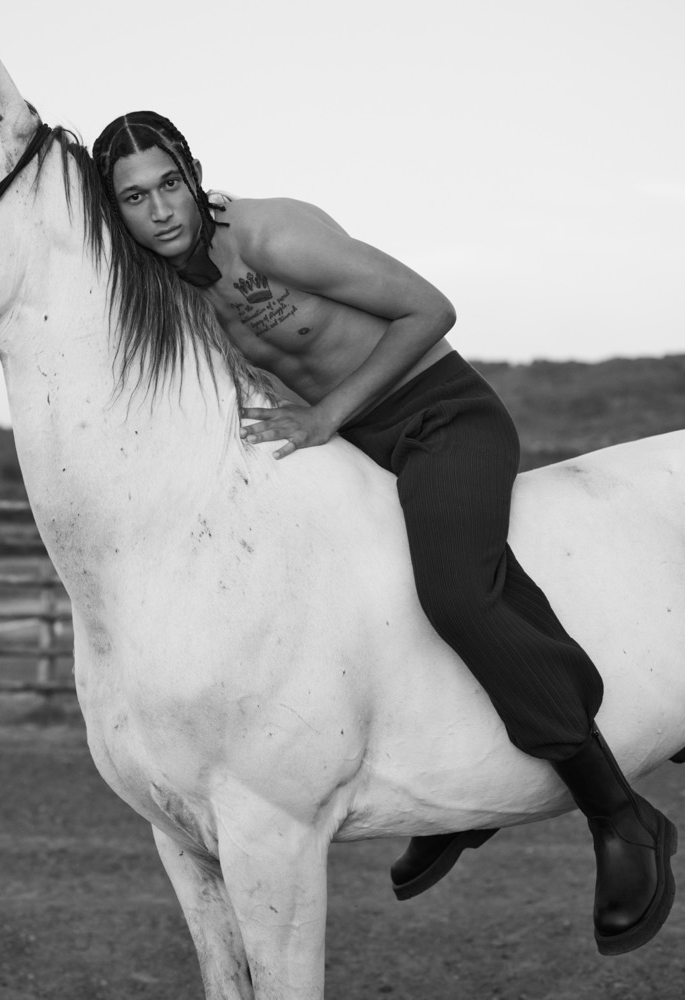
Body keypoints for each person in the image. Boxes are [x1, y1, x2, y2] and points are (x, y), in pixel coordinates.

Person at [92, 111, 678, 956]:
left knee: (459, 594)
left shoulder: (274, 234)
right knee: (371, 609)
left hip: (442, 419)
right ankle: (462, 801)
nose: (159, 210)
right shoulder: (168, 290)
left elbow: (430, 310)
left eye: (168, 184)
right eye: (135, 198)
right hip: (357, 449)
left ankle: (620, 815)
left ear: (192, 174)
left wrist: (327, 414)